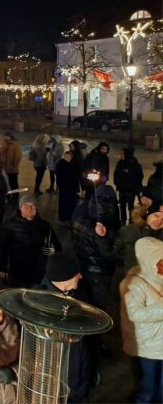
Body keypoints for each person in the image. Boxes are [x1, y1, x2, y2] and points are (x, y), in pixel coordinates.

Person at [37, 254, 95, 403]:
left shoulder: (78, 292)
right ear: (64, 279)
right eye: (76, 274)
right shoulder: (40, 303)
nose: (80, 276)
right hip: (58, 379)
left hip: (80, 368)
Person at [119, 237, 163, 404]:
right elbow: (135, 314)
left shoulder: (158, 277)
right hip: (148, 348)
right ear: (149, 262)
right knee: (147, 390)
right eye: (160, 262)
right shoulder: (132, 284)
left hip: (160, 344)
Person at [0, 195, 61, 287]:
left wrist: (54, 251)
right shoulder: (10, 225)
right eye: (26, 205)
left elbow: (56, 245)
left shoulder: (44, 225)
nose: (30, 208)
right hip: (18, 271)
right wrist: (1, 268)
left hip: (39, 271)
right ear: (20, 208)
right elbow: (2, 248)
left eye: (33, 206)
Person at [95, 202, 163, 273]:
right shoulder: (129, 231)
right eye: (156, 216)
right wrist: (102, 237)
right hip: (128, 277)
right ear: (147, 214)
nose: (159, 221)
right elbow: (110, 254)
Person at [113, 147, 143, 226]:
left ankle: (131, 222)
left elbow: (139, 177)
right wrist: (117, 183)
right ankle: (123, 221)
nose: (120, 155)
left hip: (130, 191)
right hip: (122, 190)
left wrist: (135, 187)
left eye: (122, 153)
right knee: (122, 207)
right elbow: (116, 174)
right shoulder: (120, 163)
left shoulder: (134, 164)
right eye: (120, 153)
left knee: (130, 207)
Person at [56, 151, 82, 224]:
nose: (67, 158)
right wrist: (61, 185)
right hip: (64, 188)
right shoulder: (60, 164)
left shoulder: (75, 164)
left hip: (72, 187)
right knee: (64, 204)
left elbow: (77, 177)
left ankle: (70, 217)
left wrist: (78, 188)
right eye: (66, 157)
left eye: (69, 157)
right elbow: (58, 176)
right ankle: (63, 219)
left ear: (71, 157)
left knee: (72, 203)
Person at [0, 132, 21, 198]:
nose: (5, 138)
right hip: (5, 167)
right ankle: (8, 195)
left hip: (12, 168)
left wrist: (14, 164)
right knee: (6, 182)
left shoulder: (15, 145)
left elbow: (18, 156)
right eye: (4, 137)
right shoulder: (4, 144)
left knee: (13, 182)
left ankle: (15, 195)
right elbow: (1, 154)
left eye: (7, 137)